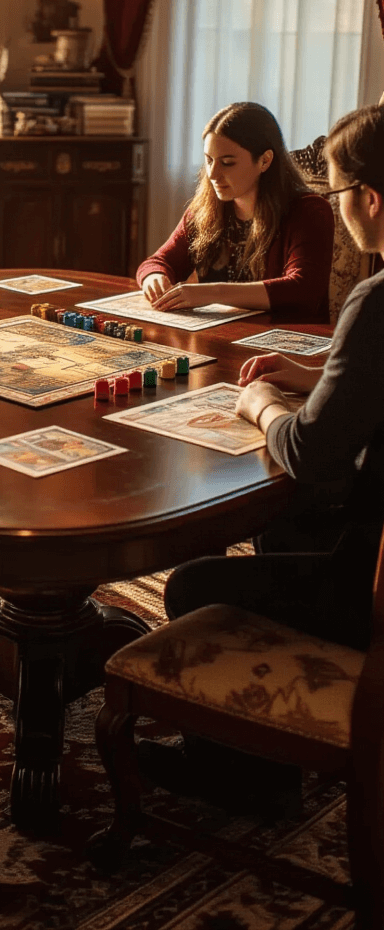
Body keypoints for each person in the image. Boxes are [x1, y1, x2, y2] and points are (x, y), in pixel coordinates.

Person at [134, 103, 384, 811]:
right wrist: (316, 374)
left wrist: (265, 406)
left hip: (365, 585)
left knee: (192, 587)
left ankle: (248, 780)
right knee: (288, 528)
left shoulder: (376, 301)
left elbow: (307, 452)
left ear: (368, 197)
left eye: (337, 192)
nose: (336, 209)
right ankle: (265, 759)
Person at [136, 101, 334, 320]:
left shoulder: (309, 211)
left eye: (227, 162)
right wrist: (154, 277)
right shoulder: (205, 209)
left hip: (285, 344)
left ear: (265, 161)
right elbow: (158, 262)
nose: (212, 174)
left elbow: (303, 289)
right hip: (219, 338)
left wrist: (213, 293)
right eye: (208, 160)